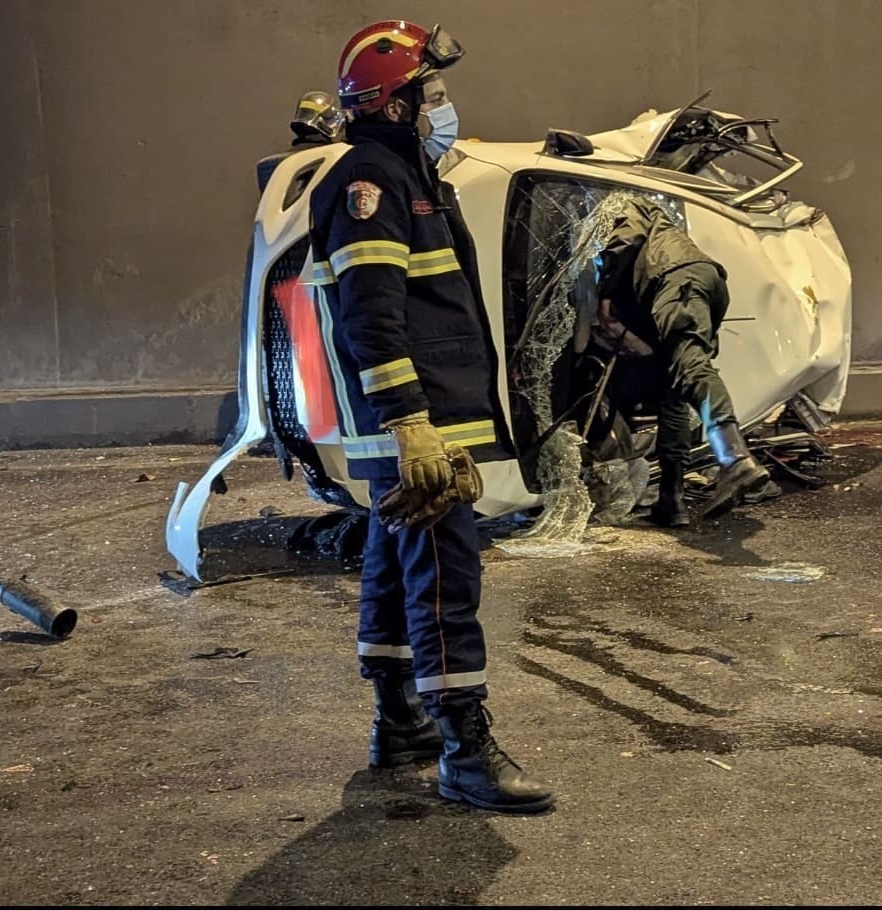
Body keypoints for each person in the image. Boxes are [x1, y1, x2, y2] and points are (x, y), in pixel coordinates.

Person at [306, 19, 554, 814]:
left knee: (394, 560)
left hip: (420, 418)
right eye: (429, 92)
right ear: (393, 105)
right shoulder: (371, 183)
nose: (441, 105)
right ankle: (464, 747)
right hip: (420, 424)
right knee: (446, 577)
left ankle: (400, 721)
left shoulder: (407, 177)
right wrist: (411, 423)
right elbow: (370, 316)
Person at [593, 195, 770, 526]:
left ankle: (735, 460)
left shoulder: (627, 203)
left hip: (677, 282)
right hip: (692, 283)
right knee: (671, 391)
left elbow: (625, 240)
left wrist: (604, 293)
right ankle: (671, 501)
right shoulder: (663, 234)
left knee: (691, 369)